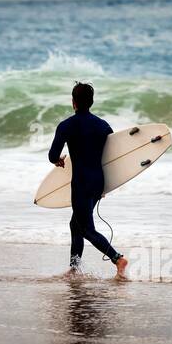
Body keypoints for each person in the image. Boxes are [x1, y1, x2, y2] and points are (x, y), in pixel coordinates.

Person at [48, 82, 128, 277]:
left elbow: (52, 155)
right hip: (98, 181)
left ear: (73, 102)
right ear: (91, 102)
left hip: (81, 184)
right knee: (75, 224)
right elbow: (113, 156)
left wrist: (59, 161)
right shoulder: (103, 126)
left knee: (86, 229)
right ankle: (75, 268)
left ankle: (118, 259)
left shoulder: (66, 126)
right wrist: (108, 185)